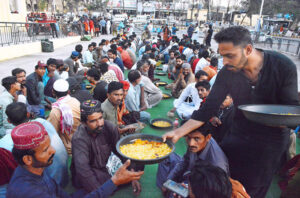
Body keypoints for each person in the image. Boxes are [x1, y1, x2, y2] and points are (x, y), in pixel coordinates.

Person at [162, 26, 299, 198]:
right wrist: (178, 132)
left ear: (248, 49)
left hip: (270, 142)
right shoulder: (228, 72)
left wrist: (273, 120)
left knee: (252, 189)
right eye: (222, 55)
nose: (224, 62)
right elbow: (208, 109)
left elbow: (292, 110)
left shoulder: (282, 66)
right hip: (239, 132)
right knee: (224, 181)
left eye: (230, 55)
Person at [7, 121, 143, 198]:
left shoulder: (36, 171)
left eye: (50, 146)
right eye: (45, 150)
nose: (53, 151)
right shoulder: (27, 191)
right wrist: (114, 182)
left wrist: (111, 184)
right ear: (28, 159)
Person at [71, 100, 143, 194]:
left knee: (139, 163)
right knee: (98, 182)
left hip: (107, 165)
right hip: (93, 170)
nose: (100, 123)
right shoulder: (79, 139)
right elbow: (83, 170)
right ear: (84, 123)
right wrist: (101, 193)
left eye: (100, 118)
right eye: (93, 121)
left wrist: (132, 176)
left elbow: (121, 153)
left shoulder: (110, 127)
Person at [1, 102, 69, 188]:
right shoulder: (43, 122)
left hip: (49, 184)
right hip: (63, 177)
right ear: (28, 114)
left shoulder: (6, 142)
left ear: (9, 121)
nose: (53, 151)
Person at [48, 79, 80, 155]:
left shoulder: (55, 111)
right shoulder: (75, 101)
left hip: (68, 148)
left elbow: (53, 133)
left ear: (53, 92)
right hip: (80, 142)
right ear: (68, 92)